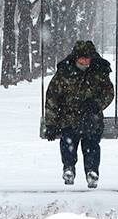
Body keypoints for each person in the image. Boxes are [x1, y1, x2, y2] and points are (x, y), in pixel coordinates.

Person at [43, 40, 114, 188]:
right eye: (82, 57)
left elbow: (108, 93)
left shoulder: (99, 71)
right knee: (68, 139)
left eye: (88, 58)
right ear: (76, 58)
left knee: (92, 142)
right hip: (68, 117)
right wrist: (50, 123)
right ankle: (69, 168)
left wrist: (96, 105)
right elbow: (52, 98)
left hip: (91, 117)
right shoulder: (64, 73)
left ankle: (92, 171)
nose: (85, 61)